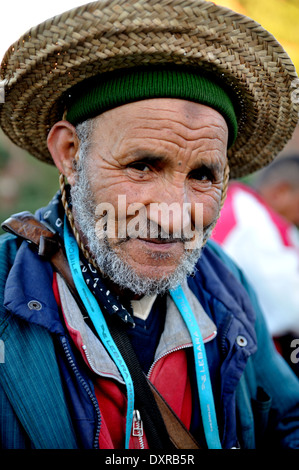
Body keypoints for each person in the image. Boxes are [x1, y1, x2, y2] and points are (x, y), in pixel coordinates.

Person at [0, 0, 299, 451]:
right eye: (142, 165)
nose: (172, 213)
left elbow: (288, 415)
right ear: (69, 153)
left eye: (202, 175)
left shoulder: (224, 282)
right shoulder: (10, 291)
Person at [211, 154, 299, 375]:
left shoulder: (242, 205)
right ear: (281, 192)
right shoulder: (255, 223)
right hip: (242, 356)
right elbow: (291, 307)